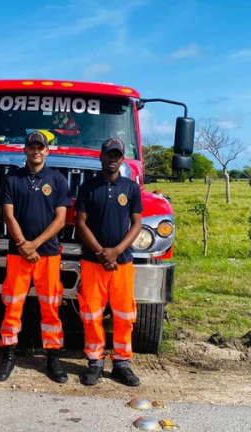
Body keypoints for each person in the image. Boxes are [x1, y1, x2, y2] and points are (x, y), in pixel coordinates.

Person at [0, 131, 72, 383]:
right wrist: (22, 244)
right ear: (25, 150)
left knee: (50, 307)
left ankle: (52, 357)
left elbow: (61, 219)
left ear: (47, 151)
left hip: (48, 254)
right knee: (12, 305)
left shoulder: (57, 180)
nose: (36, 151)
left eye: (41, 147)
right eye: (32, 147)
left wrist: (34, 244)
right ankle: (8, 355)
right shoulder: (12, 179)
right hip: (18, 254)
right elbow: (8, 215)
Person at [75, 138, 143, 387]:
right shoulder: (88, 187)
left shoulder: (131, 188)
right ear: (101, 157)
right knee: (91, 314)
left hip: (122, 263)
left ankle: (121, 364)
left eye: (117, 154)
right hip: (93, 262)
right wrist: (101, 252)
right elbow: (80, 223)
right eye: (108, 154)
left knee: (124, 315)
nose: (113, 158)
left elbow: (136, 223)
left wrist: (116, 251)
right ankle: (94, 362)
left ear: (122, 159)